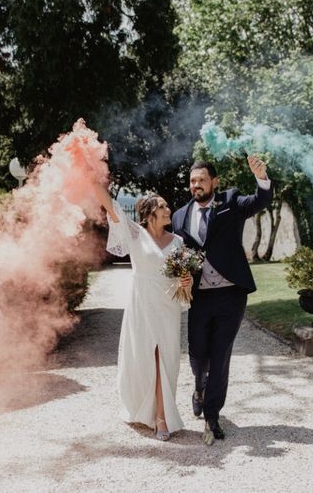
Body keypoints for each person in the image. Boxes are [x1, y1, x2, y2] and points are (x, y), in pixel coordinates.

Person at [171, 157, 272, 446]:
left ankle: (212, 415)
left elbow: (259, 201)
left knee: (220, 355)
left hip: (231, 294)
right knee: (197, 353)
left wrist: (261, 179)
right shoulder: (179, 216)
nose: (196, 185)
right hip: (200, 296)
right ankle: (199, 387)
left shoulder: (231, 200)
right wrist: (181, 278)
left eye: (202, 180)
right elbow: (179, 256)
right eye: (192, 181)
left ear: (214, 182)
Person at [92, 160, 193, 442]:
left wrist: (187, 282)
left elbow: (184, 278)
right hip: (142, 303)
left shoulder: (178, 242)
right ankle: (158, 418)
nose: (168, 210)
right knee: (148, 357)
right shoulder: (136, 234)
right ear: (149, 214)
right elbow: (110, 206)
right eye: (162, 207)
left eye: (167, 206)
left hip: (168, 307)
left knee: (168, 358)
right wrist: (90, 175)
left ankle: (161, 412)